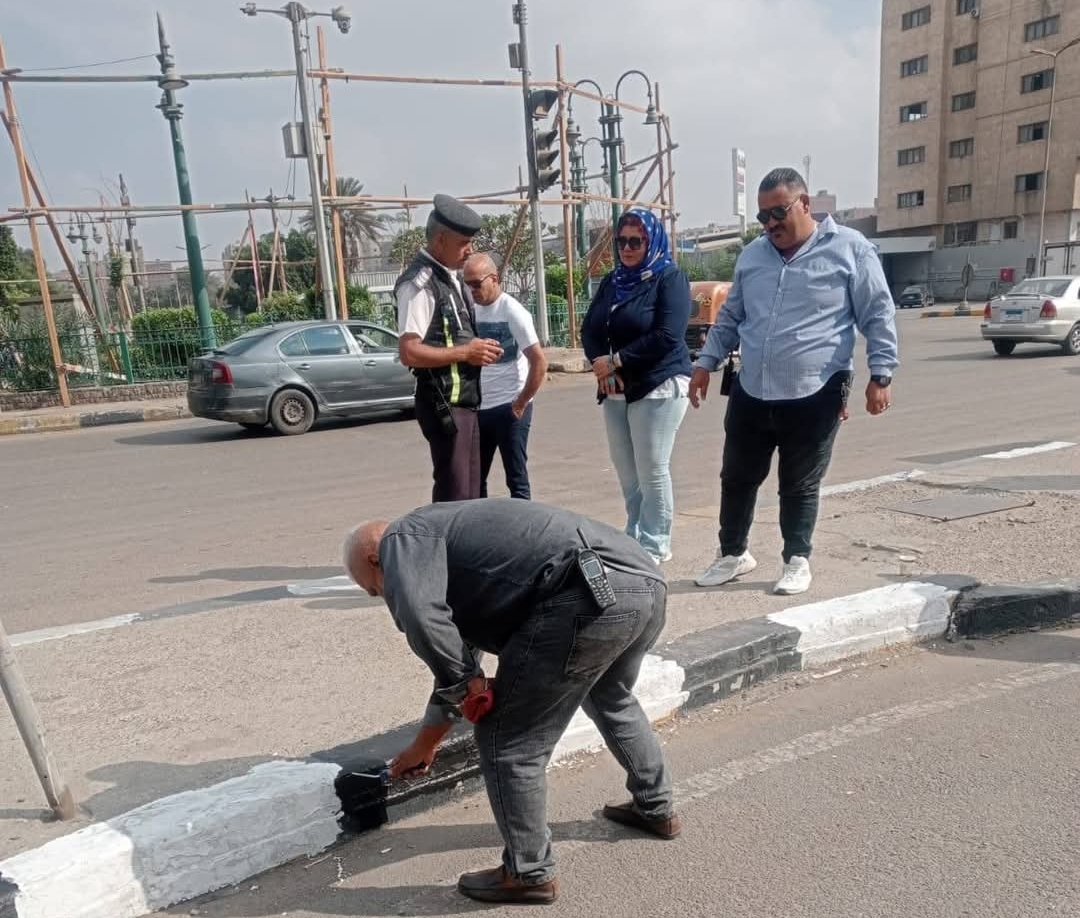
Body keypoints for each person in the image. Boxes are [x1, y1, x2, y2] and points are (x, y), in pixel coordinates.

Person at [343, 499, 679, 905]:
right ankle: (656, 807)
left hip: (580, 595)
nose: (382, 595)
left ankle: (528, 873)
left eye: (374, 588)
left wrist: (467, 681)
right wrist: (428, 741)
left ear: (373, 558)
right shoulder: (455, 551)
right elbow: (456, 661)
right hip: (642, 584)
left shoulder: (403, 537)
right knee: (612, 699)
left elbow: (421, 616)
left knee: (510, 742)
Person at [689, 167, 899, 595]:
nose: (770, 224)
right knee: (737, 477)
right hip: (752, 388)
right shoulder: (753, 256)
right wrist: (704, 364)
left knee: (799, 483)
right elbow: (730, 317)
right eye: (763, 217)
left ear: (805, 204)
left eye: (778, 212)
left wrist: (881, 373)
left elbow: (877, 314)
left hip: (815, 392)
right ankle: (733, 554)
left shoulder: (850, 250)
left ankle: (796, 559)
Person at [580, 208, 693, 565]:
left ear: (651, 241)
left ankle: (656, 543)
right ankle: (636, 533)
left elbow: (667, 335)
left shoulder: (669, 278)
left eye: (636, 241)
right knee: (626, 468)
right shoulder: (613, 281)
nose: (627, 248)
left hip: (658, 382)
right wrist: (602, 364)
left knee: (651, 467)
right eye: (622, 241)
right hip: (616, 386)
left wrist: (616, 360)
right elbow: (590, 328)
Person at [395, 194, 503, 502]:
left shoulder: (450, 277)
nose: (470, 250)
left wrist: (476, 350)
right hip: (445, 405)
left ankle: (465, 550)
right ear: (441, 240)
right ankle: (443, 550)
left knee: (471, 496)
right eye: (463, 242)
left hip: (464, 403)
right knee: (453, 498)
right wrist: (467, 353)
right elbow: (409, 351)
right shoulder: (420, 284)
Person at [462, 253, 548, 499]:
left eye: (476, 284)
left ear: (494, 279)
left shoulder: (513, 312)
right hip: (479, 408)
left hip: (509, 407)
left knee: (516, 479)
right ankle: (479, 531)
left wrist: (521, 402)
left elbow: (539, 362)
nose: (472, 290)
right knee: (475, 479)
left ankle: (523, 533)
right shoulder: (470, 311)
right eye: (466, 285)